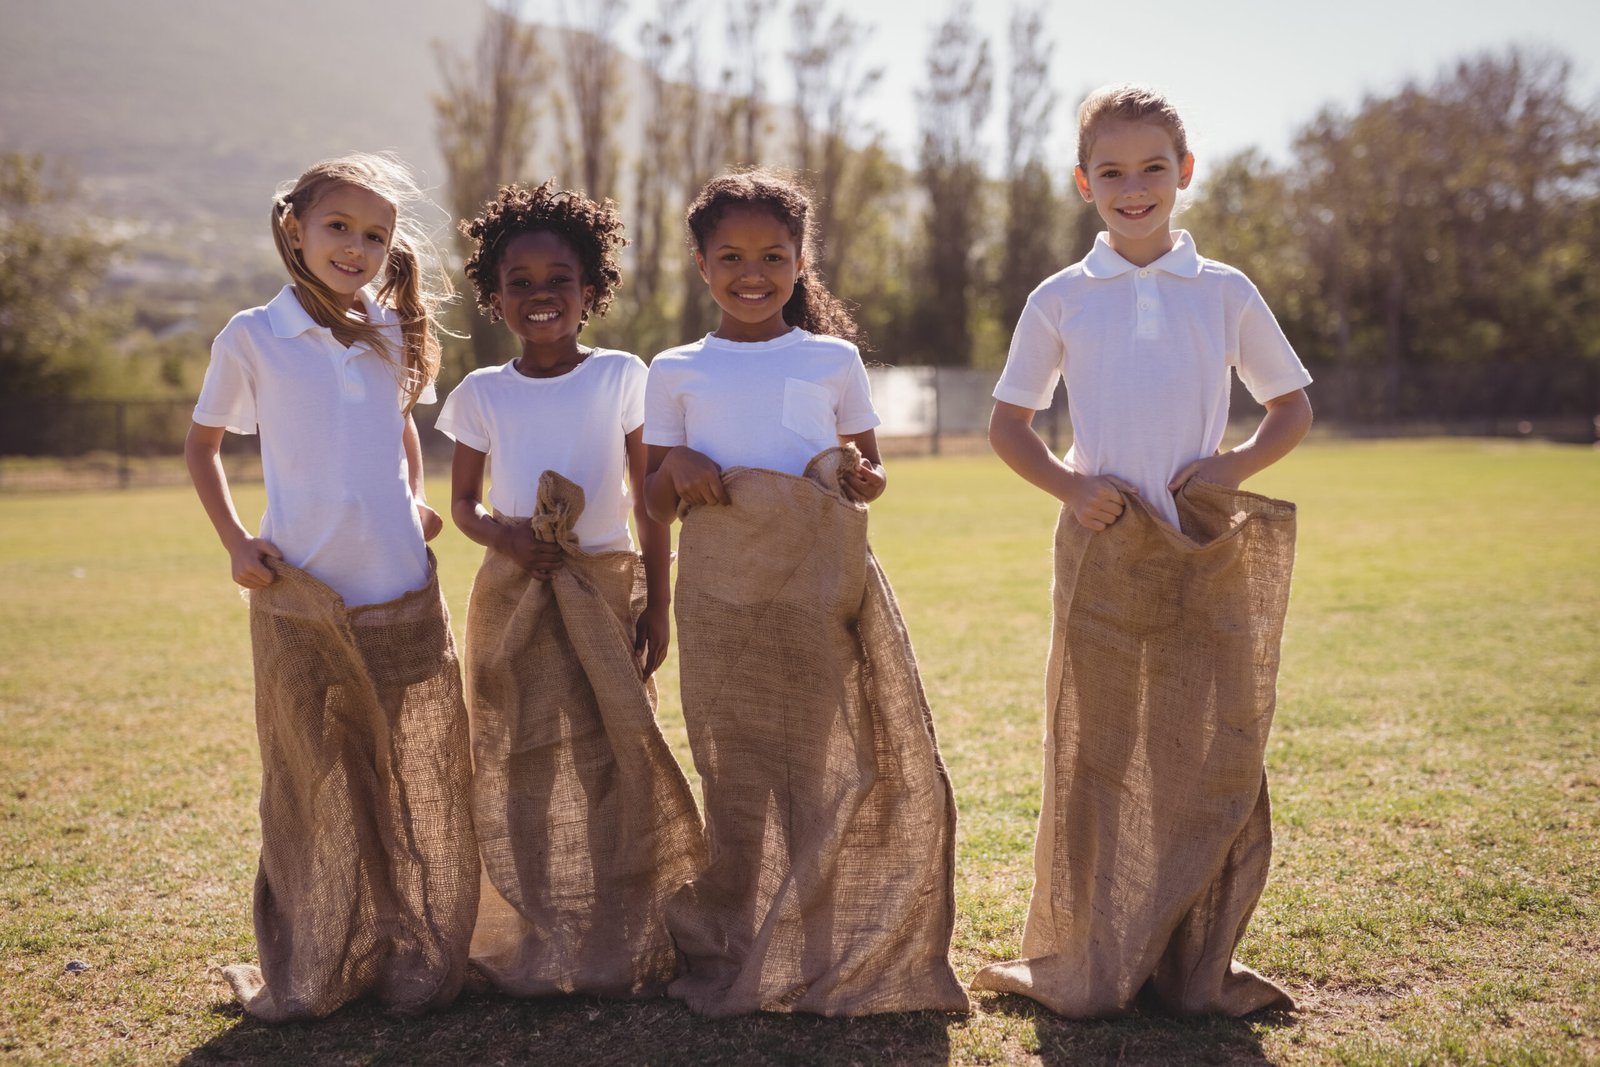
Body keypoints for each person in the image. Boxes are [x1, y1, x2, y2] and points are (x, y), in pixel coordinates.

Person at [973, 85, 1313, 1017]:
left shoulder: (1226, 290)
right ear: (1086, 183)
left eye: (1152, 168)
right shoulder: (1060, 298)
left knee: (1208, 749)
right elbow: (1008, 425)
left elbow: (1292, 407)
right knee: (1096, 745)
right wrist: (1073, 487)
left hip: (1200, 546)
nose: (1134, 187)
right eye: (1112, 172)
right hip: (1103, 546)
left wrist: (1235, 464)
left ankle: (1195, 960)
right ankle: (1091, 952)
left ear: (1185, 173)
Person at [643, 169, 969, 1017]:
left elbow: (872, 471)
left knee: (816, 771)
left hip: (814, 590)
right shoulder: (675, 368)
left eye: (773, 256)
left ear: (801, 261)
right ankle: (744, 943)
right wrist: (674, 467)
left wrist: (862, 475)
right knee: (733, 771)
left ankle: (818, 948)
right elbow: (652, 496)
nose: (752, 273)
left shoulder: (832, 359)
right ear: (702, 263)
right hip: (717, 598)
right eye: (731, 256)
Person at [184, 153, 477, 1022]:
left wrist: (417, 499)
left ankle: (412, 944)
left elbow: (401, 430)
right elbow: (201, 448)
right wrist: (237, 542)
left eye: (376, 235)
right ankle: (318, 952)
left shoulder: (392, 330)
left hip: (398, 585)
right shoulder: (252, 335)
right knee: (315, 776)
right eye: (338, 227)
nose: (357, 246)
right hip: (302, 593)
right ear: (296, 229)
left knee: (410, 771)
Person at [437, 181, 704, 998]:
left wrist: (656, 604)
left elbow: (648, 501)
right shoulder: (481, 392)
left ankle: (629, 920)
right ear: (494, 296)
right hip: (514, 590)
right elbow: (461, 505)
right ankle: (532, 925)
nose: (541, 294)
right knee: (517, 751)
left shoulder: (625, 376)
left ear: (591, 290)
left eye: (560, 278)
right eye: (519, 281)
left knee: (615, 749)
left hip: (606, 583)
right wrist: (506, 535)